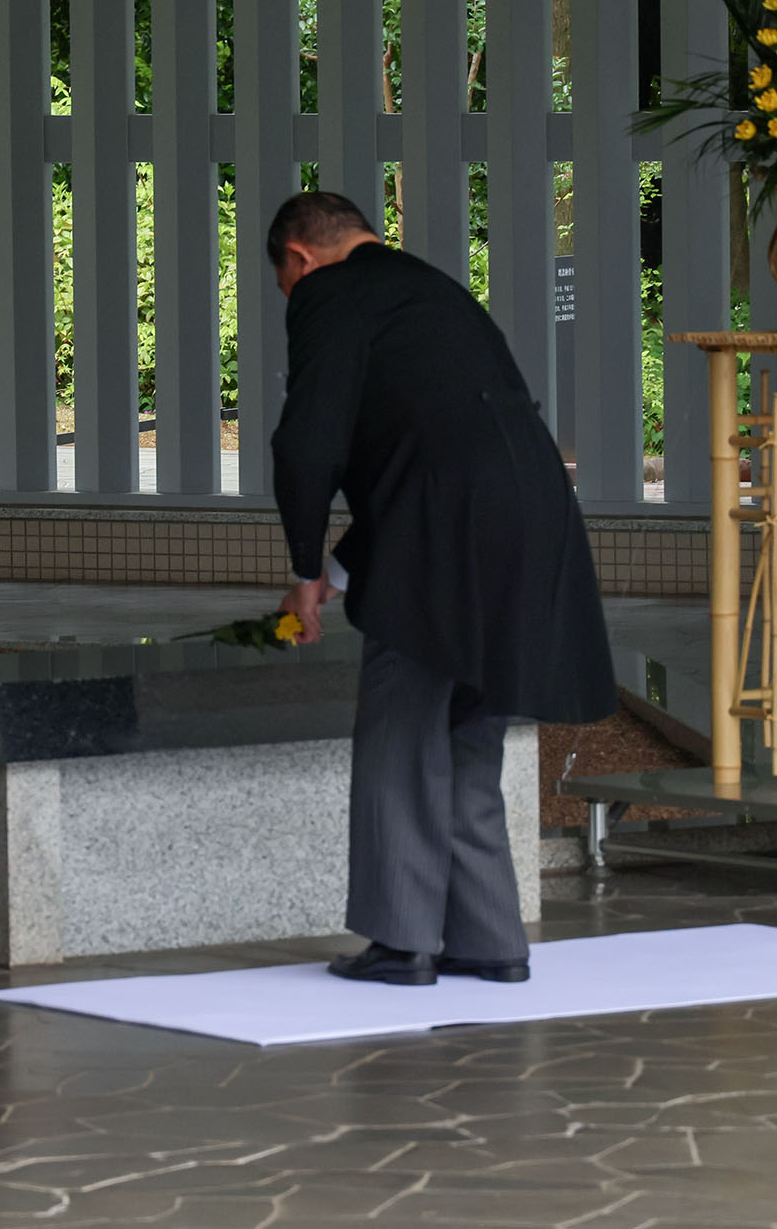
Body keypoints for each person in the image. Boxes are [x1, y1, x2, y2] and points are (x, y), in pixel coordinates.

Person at [266, 190, 616, 986]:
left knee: (403, 718)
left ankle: (403, 942)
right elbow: (433, 443)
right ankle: (489, 937)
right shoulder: (432, 290)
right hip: (535, 508)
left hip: (446, 524)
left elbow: (308, 442)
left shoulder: (328, 291)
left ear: (299, 259)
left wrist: (304, 570)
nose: (291, 299)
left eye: (285, 285)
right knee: (470, 725)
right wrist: (338, 573)